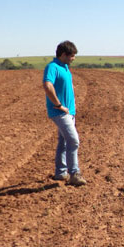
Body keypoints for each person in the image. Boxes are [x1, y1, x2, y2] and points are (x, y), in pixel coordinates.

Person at [42, 40, 87, 186]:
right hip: (60, 113)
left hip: (69, 112)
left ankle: (61, 173)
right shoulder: (52, 67)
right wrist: (58, 105)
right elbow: (47, 85)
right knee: (73, 140)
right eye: (72, 55)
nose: (73, 58)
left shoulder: (65, 67)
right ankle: (74, 173)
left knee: (64, 142)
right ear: (63, 54)